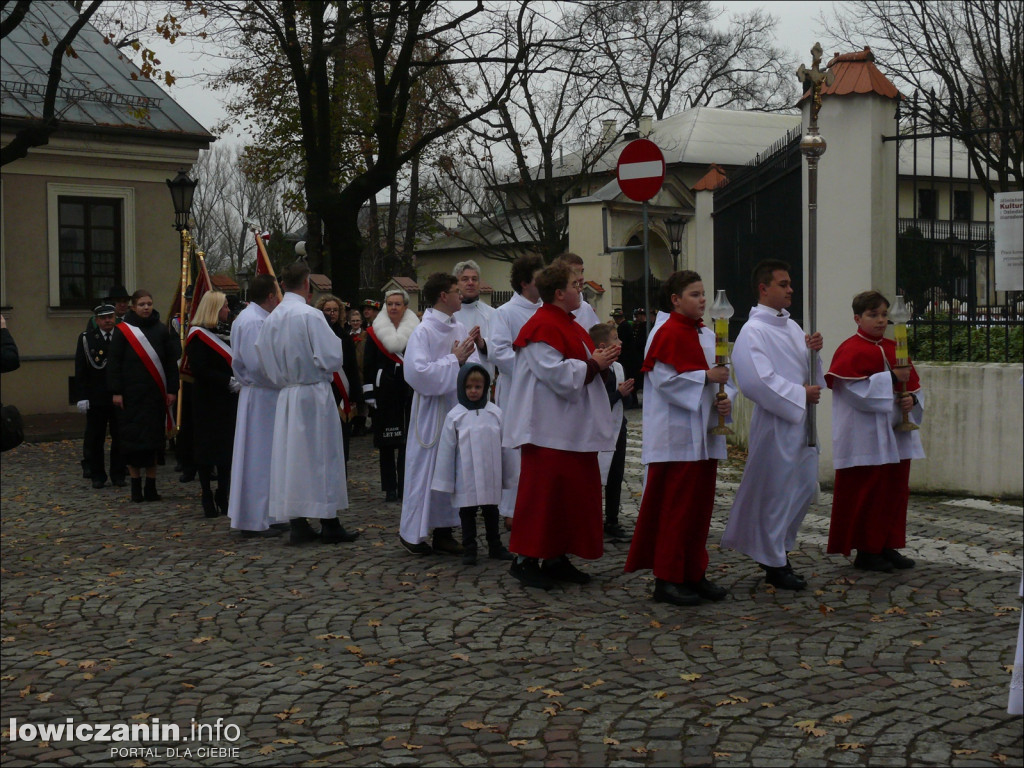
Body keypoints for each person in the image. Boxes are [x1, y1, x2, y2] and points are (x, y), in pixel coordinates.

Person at [502, 261, 619, 589]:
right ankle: (525, 559)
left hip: (570, 429)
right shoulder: (542, 326)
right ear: (558, 293)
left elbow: (581, 362)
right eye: (574, 283)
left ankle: (556, 556)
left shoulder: (568, 323)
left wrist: (601, 360)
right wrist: (594, 363)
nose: (580, 287)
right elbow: (555, 374)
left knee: (568, 499)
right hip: (547, 430)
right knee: (542, 498)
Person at [624, 271, 734, 606]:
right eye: (694, 294)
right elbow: (665, 381)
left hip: (704, 434)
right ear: (675, 300)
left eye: (703, 293)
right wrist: (705, 377)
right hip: (678, 437)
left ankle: (693, 572)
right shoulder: (666, 332)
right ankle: (667, 578)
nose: (702, 300)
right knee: (675, 510)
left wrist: (726, 397)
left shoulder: (707, 332)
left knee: (699, 510)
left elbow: (725, 375)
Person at [720, 259, 824, 591]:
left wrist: (814, 355)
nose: (791, 289)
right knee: (777, 492)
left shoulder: (792, 328)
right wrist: (798, 394)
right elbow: (755, 382)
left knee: (805, 489)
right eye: (783, 284)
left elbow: (810, 373)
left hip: (802, 421)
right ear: (764, 289)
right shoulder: (753, 332)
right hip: (778, 423)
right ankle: (774, 560)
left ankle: (778, 548)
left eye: (791, 283)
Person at [255, 262, 358, 545]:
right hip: (313, 393)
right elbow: (332, 357)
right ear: (307, 284)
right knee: (321, 456)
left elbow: (263, 360)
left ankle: (298, 522)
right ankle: (329, 522)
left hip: (287, 394)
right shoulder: (310, 316)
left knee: (293, 459)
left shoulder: (273, 319)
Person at [824, 290, 925, 572]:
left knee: (893, 491)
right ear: (857, 318)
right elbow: (857, 393)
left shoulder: (895, 348)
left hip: (895, 434)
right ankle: (866, 551)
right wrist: (892, 378)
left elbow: (915, 388)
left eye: (884, 315)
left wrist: (912, 399)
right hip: (864, 435)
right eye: (873, 315)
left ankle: (886, 544)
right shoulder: (850, 349)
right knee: (868, 492)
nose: (881, 321)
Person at [399, 272, 481, 555]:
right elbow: (416, 373)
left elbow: (471, 365)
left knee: (451, 471)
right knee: (425, 470)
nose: (462, 294)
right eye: (457, 290)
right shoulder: (424, 331)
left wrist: (469, 362)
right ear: (443, 296)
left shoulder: (458, 327)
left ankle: (444, 531)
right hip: (432, 411)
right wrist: (453, 360)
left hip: (455, 408)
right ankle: (412, 533)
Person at [431, 363, 515, 565]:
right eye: (469, 387)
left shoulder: (495, 413)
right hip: (465, 475)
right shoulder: (455, 416)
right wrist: (445, 480)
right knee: (467, 512)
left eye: (478, 387)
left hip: (490, 473)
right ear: (462, 387)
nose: (473, 391)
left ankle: (495, 545)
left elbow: (505, 446)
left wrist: (509, 475)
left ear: (485, 387)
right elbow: (446, 451)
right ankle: (470, 548)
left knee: (491, 511)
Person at [107, 289, 179, 503]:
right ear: (133, 307)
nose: (146, 307)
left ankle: (151, 486)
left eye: (149, 303)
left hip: (154, 396)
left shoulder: (161, 330)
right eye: (141, 304)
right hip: (130, 397)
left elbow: (170, 363)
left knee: (153, 443)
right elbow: (114, 363)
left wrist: (172, 390)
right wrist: (116, 391)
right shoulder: (123, 331)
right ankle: (135, 486)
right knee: (131, 442)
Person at [227, 274, 284, 539]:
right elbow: (256, 364)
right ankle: (257, 518)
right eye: (278, 293)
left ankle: (267, 514)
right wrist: (286, 378)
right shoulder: (252, 322)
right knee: (259, 457)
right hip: (262, 393)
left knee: (265, 455)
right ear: (270, 296)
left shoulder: (257, 319)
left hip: (264, 394)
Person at [489, 254, 544, 519]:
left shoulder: (547, 310)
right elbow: (498, 352)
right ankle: (512, 510)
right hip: (516, 392)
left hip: (545, 392)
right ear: (524, 283)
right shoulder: (505, 313)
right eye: (538, 278)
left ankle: (538, 504)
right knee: (516, 450)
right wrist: (535, 367)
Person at [186, 291, 239, 518]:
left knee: (227, 450)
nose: (228, 310)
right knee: (207, 449)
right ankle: (206, 493)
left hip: (227, 399)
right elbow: (199, 369)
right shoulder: (198, 336)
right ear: (215, 309)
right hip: (207, 399)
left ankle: (224, 494)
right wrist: (227, 380)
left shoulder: (226, 332)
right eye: (225, 306)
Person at [363, 288, 418, 502]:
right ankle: (390, 488)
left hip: (407, 391)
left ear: (405, 307)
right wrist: (369, 393)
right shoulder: (374, 333)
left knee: (406, 442)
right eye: (390, 304)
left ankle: (405, 485)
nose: (393, 307)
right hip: (383, 392)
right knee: (386, 443)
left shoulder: (416, 330)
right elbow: (367, 364)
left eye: (398, 304)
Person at [589, 323, 634, 541]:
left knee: (616, 474)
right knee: (597, 475)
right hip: (598, 429)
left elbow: (627, 401)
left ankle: (612, 520)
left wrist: (626, 394)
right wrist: (618, 393)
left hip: (618, 427)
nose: (621, 342)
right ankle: (592, 519)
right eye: (616, 339)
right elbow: (597, 402)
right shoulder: (597, 371)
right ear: (603, 345)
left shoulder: (619, 367)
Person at [75, 304, 126, 488]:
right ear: (96, 320)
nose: (107, 320)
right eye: (103, 318)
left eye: (110, 317)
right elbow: (80, 369)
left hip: (118, 395)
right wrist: (81, 396)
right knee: (95, 438)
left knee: (120, 436)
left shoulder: (123, 336)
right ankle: (97, 474)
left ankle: (118, 474)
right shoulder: (87, 339)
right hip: (96, 397)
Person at [315, 294, 363, 466]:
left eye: (335, 310)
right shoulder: (315, 335)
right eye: (328, 310)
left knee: (341, 438)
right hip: (322, 390)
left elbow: (352, 368)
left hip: (341, 394)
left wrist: (355, 396)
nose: (332, 313)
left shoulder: (345, 337)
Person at [452, 259, 496, 384]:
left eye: (474, 279)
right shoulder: (450, 313)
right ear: (456, 284)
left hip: (483, 383)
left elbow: (501, 346)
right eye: (465, 279)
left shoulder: (492, 314)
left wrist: (483, 344)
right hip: (455, 382)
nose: (470, 283)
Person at [554, 253, 601, 329]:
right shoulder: (544, 309)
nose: (581, 277)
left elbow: (597, 337)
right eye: (575, 272)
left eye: (582, 271)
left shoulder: (586, 309)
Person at [347, 308, 369, 436]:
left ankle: (361, 425)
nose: (355, 323)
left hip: (362, 369)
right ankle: (353, 423)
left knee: (362, 400)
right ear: (349, 322)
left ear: (361, 322)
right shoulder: (347, 335)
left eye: (357, 320)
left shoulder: (365, 335)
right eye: (353, 321)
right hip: (351, 369)